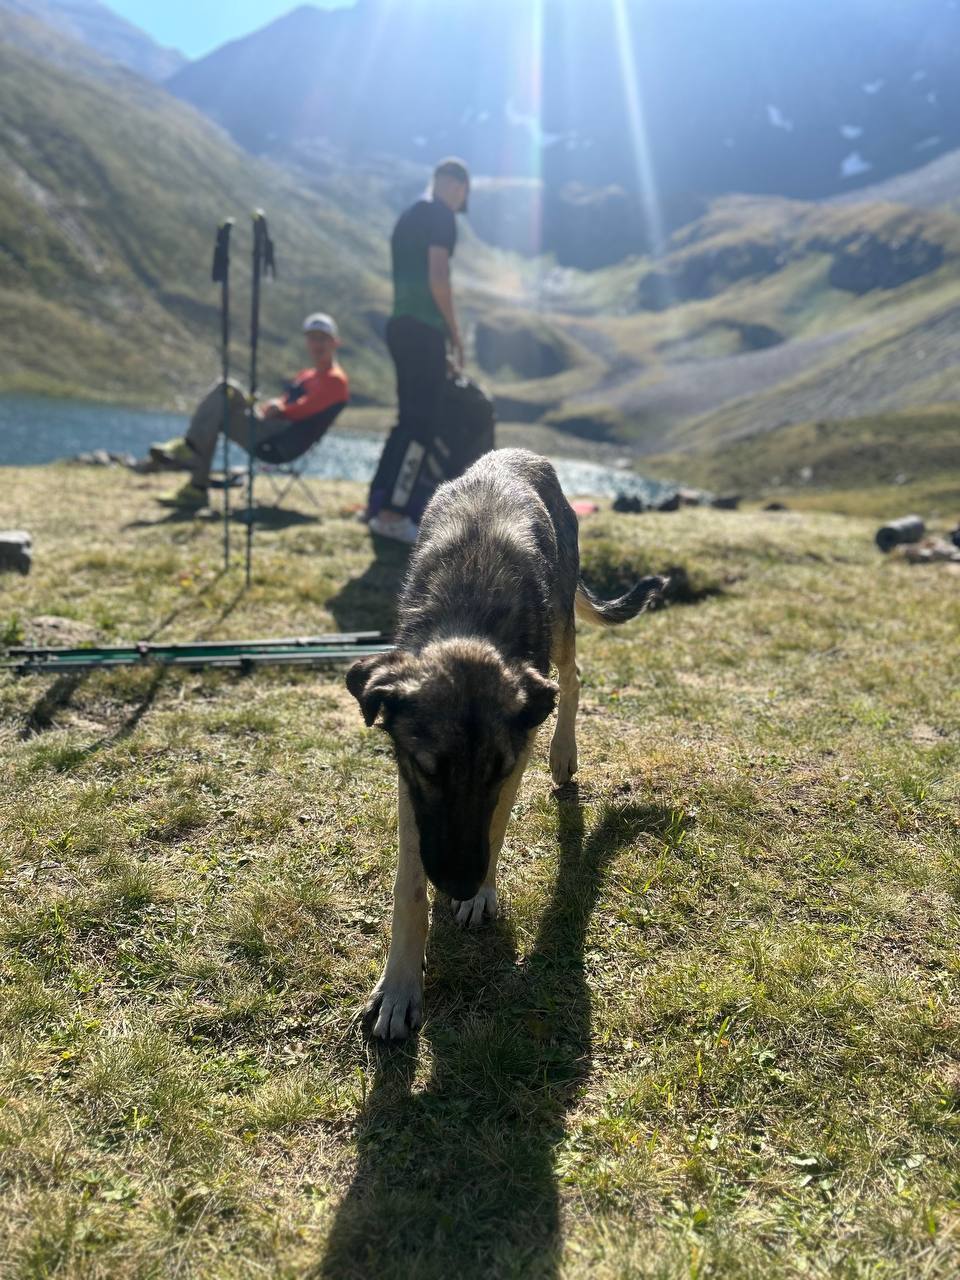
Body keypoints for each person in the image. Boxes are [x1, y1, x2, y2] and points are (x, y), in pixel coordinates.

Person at [366, 157, 470, 544]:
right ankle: (394, 514)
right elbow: (438, 276)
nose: (460, 195)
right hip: (423, 329)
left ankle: (378, 505)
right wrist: (453, 334)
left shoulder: (410, 215)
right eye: (459, 188)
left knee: (406, 420)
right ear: (450, 185)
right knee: (422, 424)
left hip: (400, 324)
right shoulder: (442, 216)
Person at [152, 313, 349, 508]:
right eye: (313, 338)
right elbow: (286, 402)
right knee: (227, 391)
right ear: (307, 342)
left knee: (221, 404)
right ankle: (190, 459)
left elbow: (303, 410)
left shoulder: (335, 380)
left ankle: (192, 465)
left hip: (281, 440)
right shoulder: (307, 375)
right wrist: (271, 406)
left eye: (323, 339)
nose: (317, 344)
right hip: (271, 427)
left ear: (334, 343)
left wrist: (280, 408)